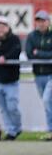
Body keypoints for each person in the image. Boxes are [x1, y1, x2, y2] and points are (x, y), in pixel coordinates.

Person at [26, 10, 52, 141]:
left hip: (51, 74)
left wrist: (39, 53)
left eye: (43, 21)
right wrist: (45, 54)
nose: (41, 23)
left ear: (48, 21)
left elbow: (37, 53)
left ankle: (50, 129)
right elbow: (30, 53)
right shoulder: (32, 36)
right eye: (38, 21)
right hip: (39, 75)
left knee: (48, 101)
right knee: (48, 103)